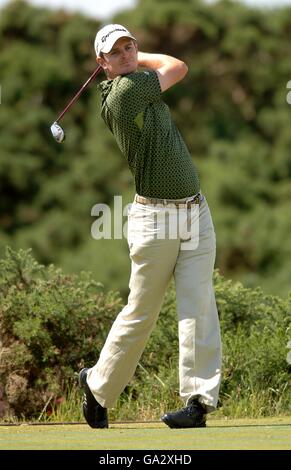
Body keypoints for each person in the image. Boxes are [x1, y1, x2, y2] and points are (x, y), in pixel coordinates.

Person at [78, 23, 222, 429]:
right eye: (116, 52)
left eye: (130, 47)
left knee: (199, 303)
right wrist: (136, 60)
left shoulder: (135, 82)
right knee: (142, 311)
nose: (126, 55)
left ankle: (198, 402)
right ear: (101, 63)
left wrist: (125, 57)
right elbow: (177, 65)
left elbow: (171, 68)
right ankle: (97, 386)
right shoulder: (125, 92)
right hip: (155, 219)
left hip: (196, 210)